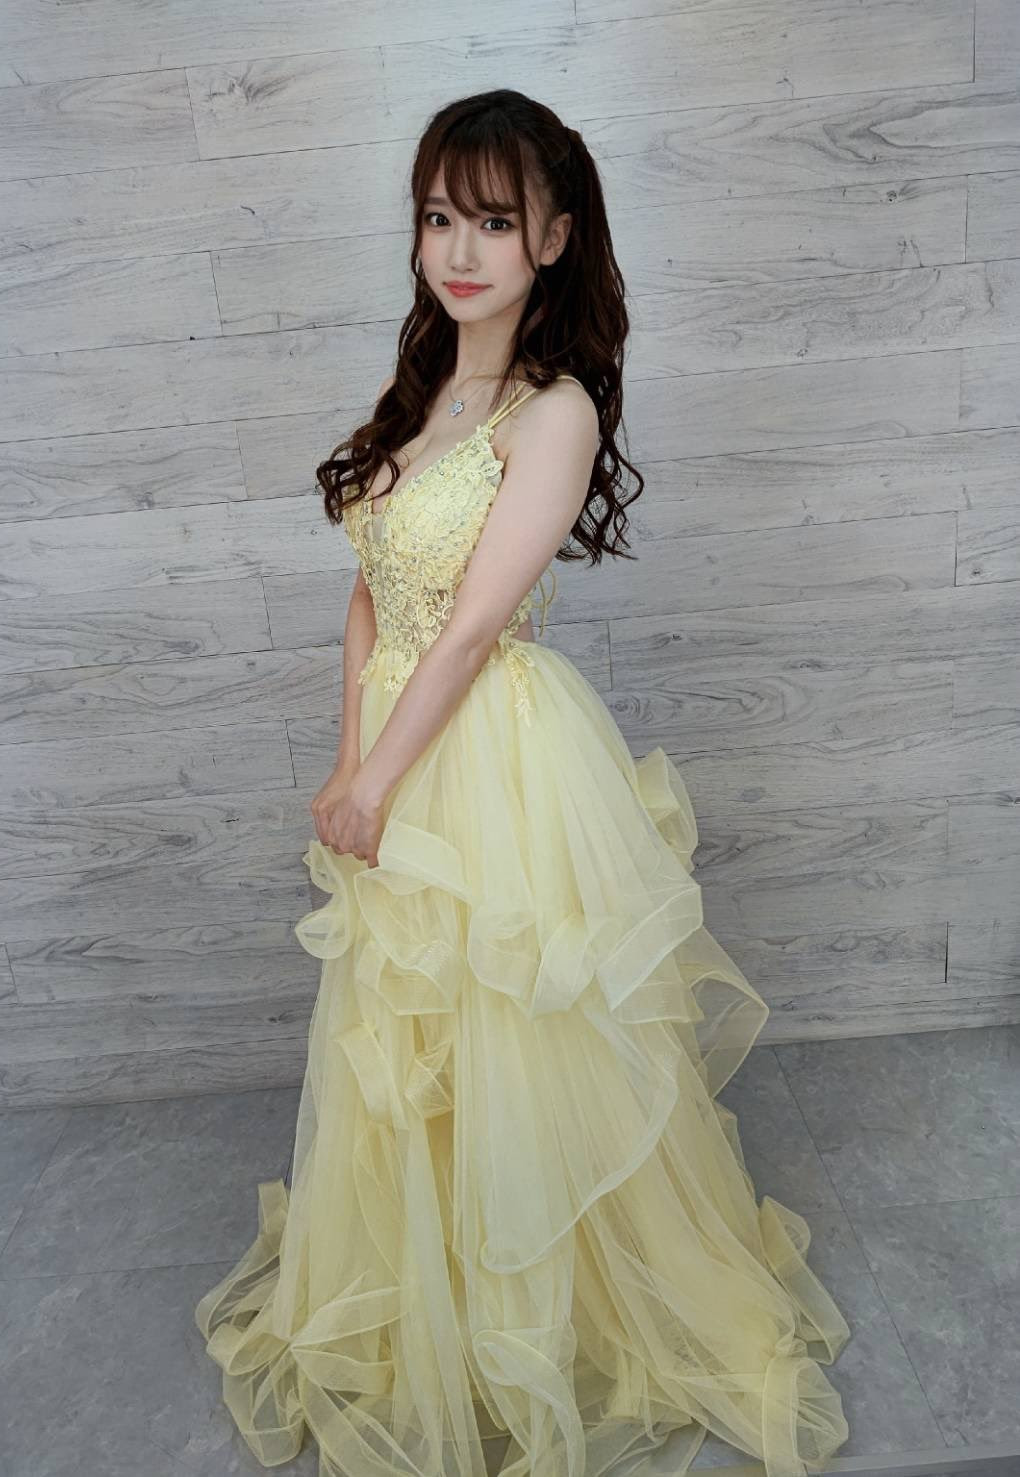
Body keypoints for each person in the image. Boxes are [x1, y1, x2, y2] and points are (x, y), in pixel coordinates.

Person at [194, 88, 852, 1477]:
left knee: (509, 1031)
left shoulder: (551, 413)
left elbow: (476, 621)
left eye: (494, 221)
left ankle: (531, 1320)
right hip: (399, 741)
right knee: (407, 1040)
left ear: (553, 238)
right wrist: (346, 758)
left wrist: (382, 777)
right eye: (440, 215)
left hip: (488, 752)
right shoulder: (425, 393)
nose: (460, 248)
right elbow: (371, 592)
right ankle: (425, 1296)